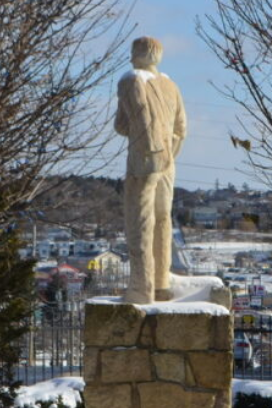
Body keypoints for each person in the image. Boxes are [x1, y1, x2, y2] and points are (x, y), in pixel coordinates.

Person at [114, 37, 185, 304]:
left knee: (139, 221)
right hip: (168, 159)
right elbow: (181, 129)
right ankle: (161, 283)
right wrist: (167, 153)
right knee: (162, 218)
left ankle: (141, 288)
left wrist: (147, 150)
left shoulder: (130, 80)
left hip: (143, 160)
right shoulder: (171, 85)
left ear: (137, 54)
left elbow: (127, 123)